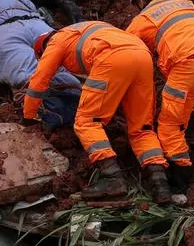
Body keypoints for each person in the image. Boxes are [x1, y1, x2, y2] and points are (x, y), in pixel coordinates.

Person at [24, 23, 171, 203]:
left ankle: (111, 178)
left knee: (87, 122)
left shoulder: (56, 41)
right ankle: (160, 184)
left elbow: (39, 80)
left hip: (111, 57)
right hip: (142, 56)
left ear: (43, 48)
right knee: (142, 128)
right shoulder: (85, 30)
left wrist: (29, 116)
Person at [124, 0, 194, 192]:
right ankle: (183, 134)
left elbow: (123, 49)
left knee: (169, 124)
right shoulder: (186, 4)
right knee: (182, 109)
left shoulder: (144, 18)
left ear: (140, 1)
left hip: (189, 65)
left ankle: (181, 178)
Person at [0, 0, 80, 126]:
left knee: (26, 73)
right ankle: (75, 93)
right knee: (58, 63)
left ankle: (47, 109)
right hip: (38, 25)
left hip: (5, 30)